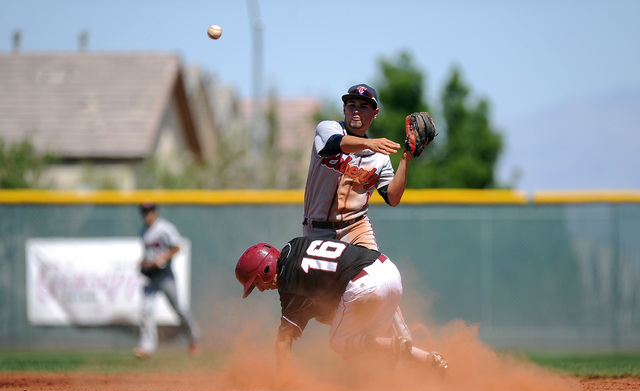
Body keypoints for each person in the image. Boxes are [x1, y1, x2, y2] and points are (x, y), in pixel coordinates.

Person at [235, 237, 447, 372]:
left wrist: (282, 379)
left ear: (266, 269)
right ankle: (428, 360)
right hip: (388, 269)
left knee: (339, 342)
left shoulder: (289, 282)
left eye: (256, 283)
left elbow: (284, 338)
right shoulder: (297, 245)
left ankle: (395, 345)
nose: (260, 289)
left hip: (364, 284)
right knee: (372, 349)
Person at [302, 83, 414, 251]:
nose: (356, 110)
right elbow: (335, 144)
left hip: (356, 229)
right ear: (344, 108)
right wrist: (369, 144)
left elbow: (393, 198)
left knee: (380, 275)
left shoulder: (380, 156)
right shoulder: (327, 129)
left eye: (363, 106)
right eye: (351, 105)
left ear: (375, 113)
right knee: (323, 277)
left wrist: (406, 157)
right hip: (317, 229)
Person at [133, 202, 201, 359]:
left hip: (165, 275)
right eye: (144, 211)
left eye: (149, 211)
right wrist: (143, 262)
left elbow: (178, 246)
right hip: (150, 276)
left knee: (179, 309)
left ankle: (193, 336)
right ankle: (146, 347)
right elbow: (147, 254)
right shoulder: (143, 231)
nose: (146, 214)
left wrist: (162, 258)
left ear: (155, 212)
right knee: (145, 311)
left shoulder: (164, 228)